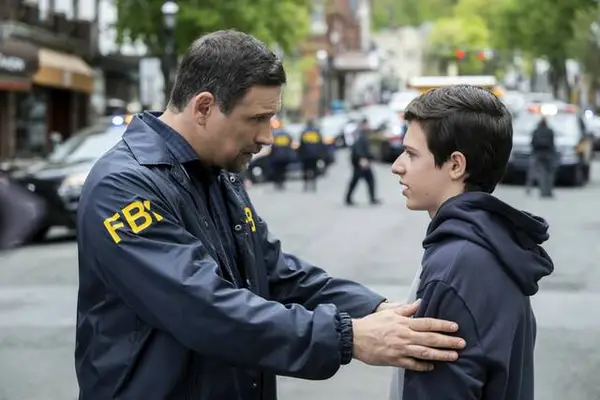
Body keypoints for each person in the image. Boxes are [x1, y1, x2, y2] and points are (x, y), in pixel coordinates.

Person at [75, 30, 466, 400]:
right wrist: (349, 336)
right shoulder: (124, 186)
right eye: (256, 119)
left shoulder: (216, 173)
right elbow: (202, 307)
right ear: (204, 107)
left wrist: (373, 309)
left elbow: (274, 273)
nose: (267, 138)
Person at [389, 85, 554, 400]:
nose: (397, 165)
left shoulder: (456, 266)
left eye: (411, 153)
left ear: (456, 165)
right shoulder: (493, 244)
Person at [345, 118, 380, 206]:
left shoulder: (363, 134)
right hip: (360, 162)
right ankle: (348, 198)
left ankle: (372, 198)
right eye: (367, 124)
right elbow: (357, 147)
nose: (368, 126)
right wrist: (361, 158)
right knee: (355, 181)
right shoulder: (359, 134)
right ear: (363, 125)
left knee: (369, 180)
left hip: (363, 161)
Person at [528, 116, 556, 198]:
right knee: (549, 174)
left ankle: (534, 189)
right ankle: (548, 191)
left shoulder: (536, 131)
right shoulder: (550, 131)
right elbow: (552, 144)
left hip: (537, 154)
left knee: (537, 173)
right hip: (548, 154)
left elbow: (532, 143)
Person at [298, 119, 326, 192]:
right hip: (315, 155)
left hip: (306, 155)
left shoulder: (304, 132)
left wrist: (300, 154)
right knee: (314, 169)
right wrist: (321, 154)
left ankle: (306, 185)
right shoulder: (317, 132)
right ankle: (314, 184)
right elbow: (321, 144)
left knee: (305, 170)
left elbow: (301, 144)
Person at [269, 119, 294, 190]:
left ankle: (278, 182)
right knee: (283, 170)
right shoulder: (287, 134)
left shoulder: (274, 134)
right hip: (285, 156)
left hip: (276, 156)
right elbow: (291, 143)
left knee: (277, 170)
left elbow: (272, 145)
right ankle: (282, 182)